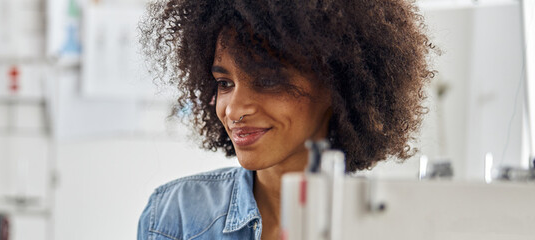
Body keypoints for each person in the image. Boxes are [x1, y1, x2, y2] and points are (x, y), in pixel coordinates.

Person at [138, 0, 434, 239]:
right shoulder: (173, 216)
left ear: (337, 86)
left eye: (267, 82)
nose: (233, 110)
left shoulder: (382, 228)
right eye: (225, 83)